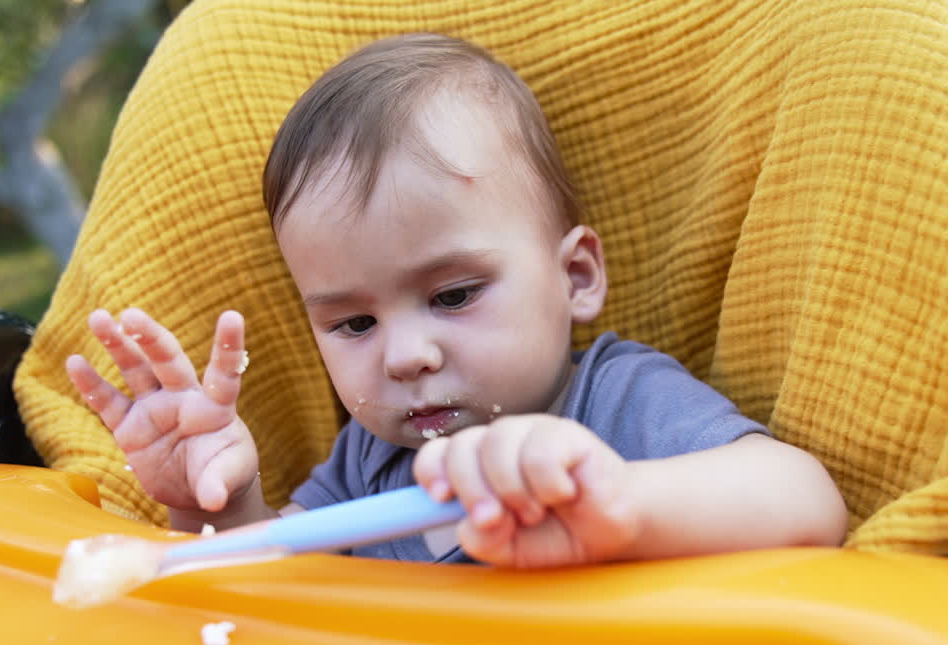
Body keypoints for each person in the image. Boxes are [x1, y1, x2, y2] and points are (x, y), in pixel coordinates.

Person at [65, 33, 847, 567]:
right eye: (356, 323)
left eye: (455, 294)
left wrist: (620, 503)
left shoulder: (613, 402)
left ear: (575, 278)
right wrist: (219, 506)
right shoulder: (368, 464)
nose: (406, 356)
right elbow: (264, 590)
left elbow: (806, 502)